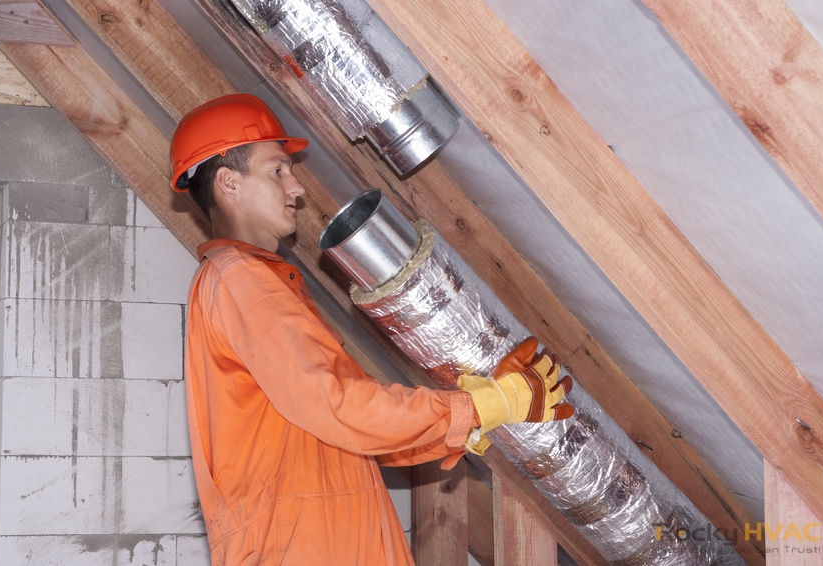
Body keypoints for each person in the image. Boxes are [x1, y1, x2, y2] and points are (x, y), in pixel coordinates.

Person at [169, 93, 573, 565]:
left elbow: (360, 430)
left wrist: (477, 409)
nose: (296, 188)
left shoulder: (257, 284)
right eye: (278, 170)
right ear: (229, 184)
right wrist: (480, 406)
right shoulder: (241, 281)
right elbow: (339, 406)